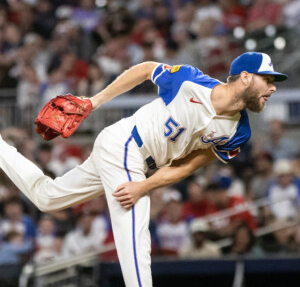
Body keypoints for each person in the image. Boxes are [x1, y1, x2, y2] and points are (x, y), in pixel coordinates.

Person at [0, 51, 288, 286]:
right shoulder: (191, 81)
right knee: (135, 235)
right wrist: (94, 101)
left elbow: (188, 167)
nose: (273, 87)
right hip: (125, 145)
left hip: (135, 164)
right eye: (268, 79)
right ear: (246, 77)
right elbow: (146, 69)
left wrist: (144, 186)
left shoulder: (239, 130)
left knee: (47, 198)